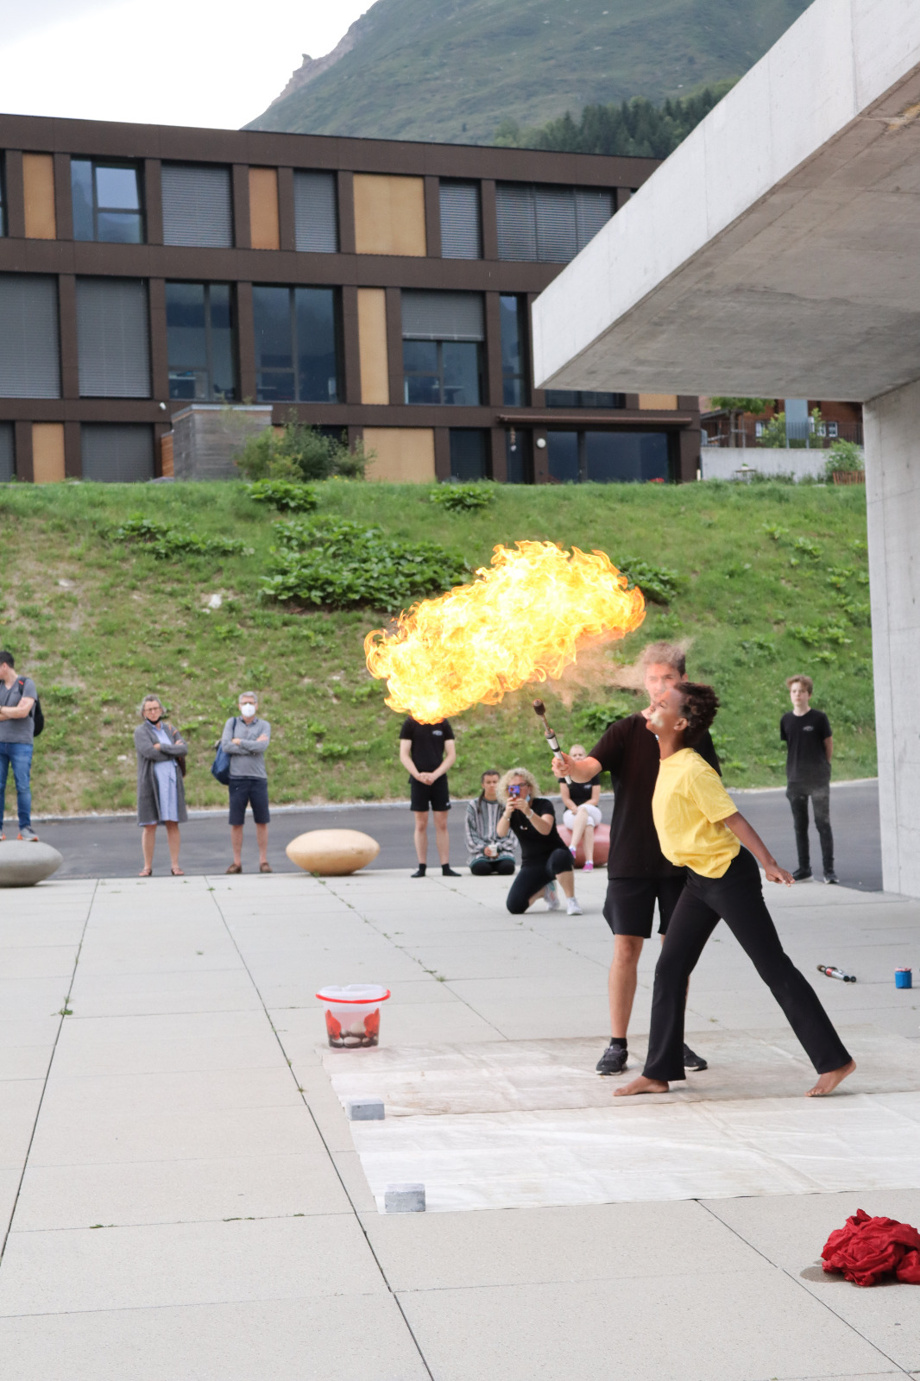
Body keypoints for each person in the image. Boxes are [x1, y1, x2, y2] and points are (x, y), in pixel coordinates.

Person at [614, 681, 855, 1099]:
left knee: (772, 967)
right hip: (699, 879)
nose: (652, 705)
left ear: (681, 722)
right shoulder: (668, 761)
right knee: (669, 968)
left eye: (663, 703)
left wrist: (769, 863)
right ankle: (658, 1071)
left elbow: (733, 819)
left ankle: (835, 1061)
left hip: (727, 877)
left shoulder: (692, 768)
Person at [552, 642, 714, 1077]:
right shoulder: (626, 729)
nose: (658, 687)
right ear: (644, 682)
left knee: (675, 954)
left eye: (667, 679)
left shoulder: (691, 732)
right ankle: (617, 1043)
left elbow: (710, 793)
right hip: (630, 858)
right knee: (626, 948)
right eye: (652, 679)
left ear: (681, 681)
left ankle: (671, 1040)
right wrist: (572, 765)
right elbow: (589, 768)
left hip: (681, 860)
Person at [496, 767, 582, 915]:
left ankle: (571, 900)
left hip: (555, 854)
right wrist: (507, 813)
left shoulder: (543, 805)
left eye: (521, 786)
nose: (517, 790)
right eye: (512, 787)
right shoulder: (509, 810)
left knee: (560, 857)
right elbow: (500, 833)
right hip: (532, 862)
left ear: (529, 788)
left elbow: (545, 829)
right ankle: (545, 890)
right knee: (515, 906)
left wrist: (528, 812)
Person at [782, 674, 837, 884]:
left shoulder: (819, 719)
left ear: (809, 694)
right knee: (800, 826)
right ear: (790, 695)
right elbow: (791, 746)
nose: (797, 695)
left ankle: (829, 871)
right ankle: (804, 868)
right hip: (795, 780)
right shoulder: (786, 720)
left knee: (823, 824)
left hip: (818, 780)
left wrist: (824, 767)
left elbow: (828, 745)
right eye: (794, 691)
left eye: (802, 691)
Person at [134, 694, 188, 876]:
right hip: (151, 783)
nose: (153, 712)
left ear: (161, 710)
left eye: (156, 708)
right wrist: (172, 750)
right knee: (150, 824)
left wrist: (163, 747)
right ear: (143, 713)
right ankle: (147, 867)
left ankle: (175, 865)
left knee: (173, 822)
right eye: (149, 709)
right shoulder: (140, 732)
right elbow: (149, 752)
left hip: (172, 781)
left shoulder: (170, 729)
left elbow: (184, 749)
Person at [399, 715, 459, 878]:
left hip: (438, 780)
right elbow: (404, 754)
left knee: (442, 824)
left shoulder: (443, 722)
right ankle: (422, 866)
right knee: (420, 824)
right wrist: (418, 775)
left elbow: (451, 755)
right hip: (419, 780)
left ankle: (445, 866)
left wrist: (435, 774)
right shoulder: (410, 722)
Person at [222, 691, 272, 874]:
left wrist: (240, 742)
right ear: (239, 706)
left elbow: (262, 747)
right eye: (244, 703)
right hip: (237, 778)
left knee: (262, 821)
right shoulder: (232, 723)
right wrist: (251, 745)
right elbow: (226, 745)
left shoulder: (264, 725)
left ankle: (263, 861)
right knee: (236, 822)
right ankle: (236, 862)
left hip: (258, 778)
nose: (248, 705)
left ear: (257, 705)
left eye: (251, 702)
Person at [0, 650, 39, 842]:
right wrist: (12, 711)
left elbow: (24, 712)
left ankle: (25, 829)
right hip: (0, 743)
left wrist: (3, 710)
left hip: (21, 744)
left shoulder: (26, 684)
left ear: (4, 666)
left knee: (22, 786)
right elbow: (18, 710)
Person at [558, 744, 602, 871]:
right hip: (571, 812)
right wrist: (573, 808)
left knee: (585, 812)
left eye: (580, 755)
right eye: (574, 755)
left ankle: (572, 847)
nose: (577, 757)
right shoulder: (564, 775)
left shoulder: (593, 773)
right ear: (570, 758)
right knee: (588, 822)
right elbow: (566, 798)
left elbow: (595, 799)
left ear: (585, 756)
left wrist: (581, 808)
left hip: (592, 809)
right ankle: (589, 862)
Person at [466, 769, 517, 875]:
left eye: (495, 782)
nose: (492, 785)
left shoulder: (507, 804)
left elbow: (513, 833)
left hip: (503, 851)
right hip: (480, 852)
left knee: (507, 868)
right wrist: (484, 848)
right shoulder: (473, 806)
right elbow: (470, 833)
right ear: (482, 785)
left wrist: (499, 847)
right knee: (481, 869)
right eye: (488, 782)